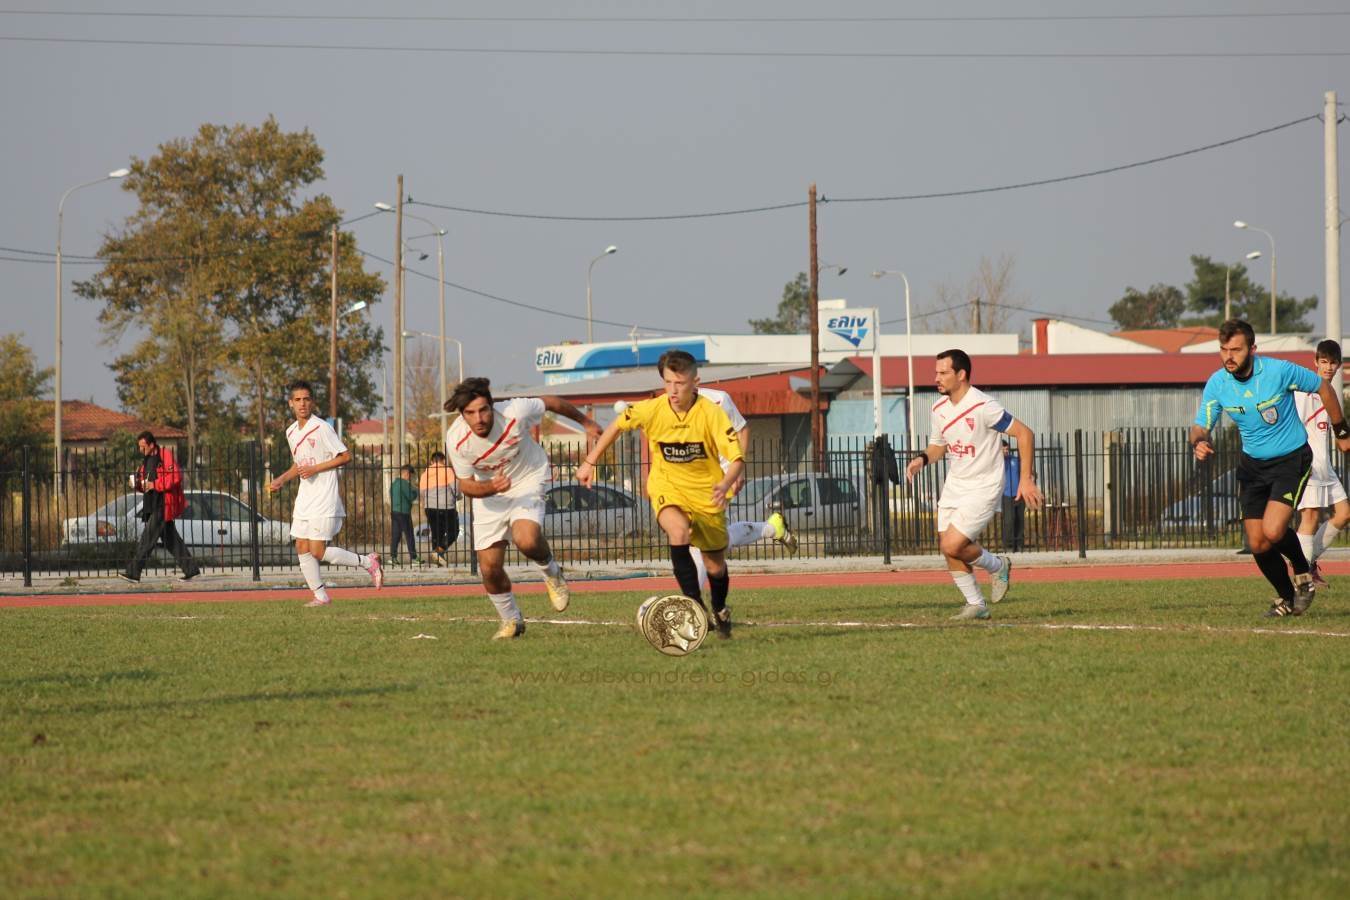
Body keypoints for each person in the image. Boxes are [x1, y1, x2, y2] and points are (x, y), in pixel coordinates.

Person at [1191, 320, 1350, 617]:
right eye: (1224, 349)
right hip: (1252, 466)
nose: (1229, 356)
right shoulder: (1218, 384)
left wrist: (1342, 432)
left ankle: (1303, 573)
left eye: (1236, 350)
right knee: (1257, 541)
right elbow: (1201, 425)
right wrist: (1199, 441)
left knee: (1274, 529)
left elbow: (1324, 388)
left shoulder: (1278, 371)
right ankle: (1287, 599)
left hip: (1291, 459)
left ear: (1252, 349)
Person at [580, 350, 744, 638]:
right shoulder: (652, 409)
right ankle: (694, 606)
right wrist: (590, 461)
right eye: (668, 382)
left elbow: (737, 458)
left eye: (680, 383)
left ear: (695, 383)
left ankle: (719, 609)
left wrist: (726, 481)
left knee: (715, 566)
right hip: (667, 487)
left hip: (707, 494)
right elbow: (618, 424)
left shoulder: (711, 414)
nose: (673, 390)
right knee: (677, 531)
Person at [444, 377, 602, 640]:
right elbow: (466, 485)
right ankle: (511, 620)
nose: (479, 418)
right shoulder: (456, 438)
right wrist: (491, 487)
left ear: (492, 405)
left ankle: (552, 574)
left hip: (528, 478)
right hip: (490, 493)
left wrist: (586, 423)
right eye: (470, 413)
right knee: (489, 568)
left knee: (526, 539)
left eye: (483, 410)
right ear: (462, 414)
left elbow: (551, 402)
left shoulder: (515, 412)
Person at [905, 349, 1043, 621]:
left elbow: (1024, 434)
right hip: (955, 484)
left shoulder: (983, 406)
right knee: (947, 546)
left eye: (943, 373)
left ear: (961, 374)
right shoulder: (938, 408)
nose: (936, 378)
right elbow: (938, 446)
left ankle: (997, 565)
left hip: (984, 485)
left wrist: (1026, 478)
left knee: (952, 544)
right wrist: (922, 459)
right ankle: (976, 604)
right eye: (936, 372)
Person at [615, 388, 796, 591]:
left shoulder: (719, 399)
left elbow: (742, 430)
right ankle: (770, 528)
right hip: (687, 480)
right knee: (710, 540)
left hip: (718, 477)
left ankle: (690, 600)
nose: (675, 384)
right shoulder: (668, 402)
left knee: (698, 541)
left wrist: (737, 471)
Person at [267, 380, 384, 607]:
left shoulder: (321, 427)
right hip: (305, 497)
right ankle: (320, 596)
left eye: (306, 399)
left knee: (317, 551)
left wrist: (316, 469)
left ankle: (368, 562)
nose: (302, 404)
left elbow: (345, 456)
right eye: (298, 400)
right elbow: (299, 464)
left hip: (324, 496)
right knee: (301, 547)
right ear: (291, 403)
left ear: (312, 402)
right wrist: (281, 479)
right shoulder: (291, 431)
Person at [1293, 339, 1350, 588]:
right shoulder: (1305, 392)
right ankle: (1302, 578)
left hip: (1325, 464)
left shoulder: (1330, 393)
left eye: (1333, 363)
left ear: (1339, 365)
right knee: (1310, 516)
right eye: (1324, 362)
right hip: (1308, 462)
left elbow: (1340, 435)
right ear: (1315, 362)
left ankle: (1307, 563)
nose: (1328, 367)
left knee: (1344, 514)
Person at [120, 431, 199, 583]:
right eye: (139, 447)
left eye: (143, 447)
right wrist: (136, 484)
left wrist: (155, 484)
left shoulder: (164, 455)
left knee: (147, 538)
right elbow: (145, 485)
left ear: (151, 445)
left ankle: (133, 572)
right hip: (151, 504)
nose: (141, 450)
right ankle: (191, 570)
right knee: (171, 541)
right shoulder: (145, 462)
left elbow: (175, 476)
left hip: (163, 503)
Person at [420, 451, 461, 566]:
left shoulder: (425, 474)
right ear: (443, 460)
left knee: (437, 533)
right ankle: (439, 551)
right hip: (446, 506)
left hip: (430, 507)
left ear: (431, 461)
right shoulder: (447, 470)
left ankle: (438, 560)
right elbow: (455, 489)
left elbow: (422, 493)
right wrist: (458, 497)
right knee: (454, 531)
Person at [1001, 440, 1027, 552]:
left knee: (1020, 520)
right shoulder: (997, 462)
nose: (1006, 451)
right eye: (1003, 449)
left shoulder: (1015, 460)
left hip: (1019, 494)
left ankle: (1019, 544)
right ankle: (1008, 545)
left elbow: (1025, 472)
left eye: (1007, 449)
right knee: (1009, 520)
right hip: (1006, 494)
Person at [389, 464, 418, 564]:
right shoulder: (404, 483)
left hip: (394, 512)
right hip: (404, 513)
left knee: (396, 535)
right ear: (406, 473)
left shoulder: (394, 483)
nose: (410, 477)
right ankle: (414, 558)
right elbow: (411, 496)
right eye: (410, 475)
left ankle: (393, 557)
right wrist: (415, 491)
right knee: (409, 535)